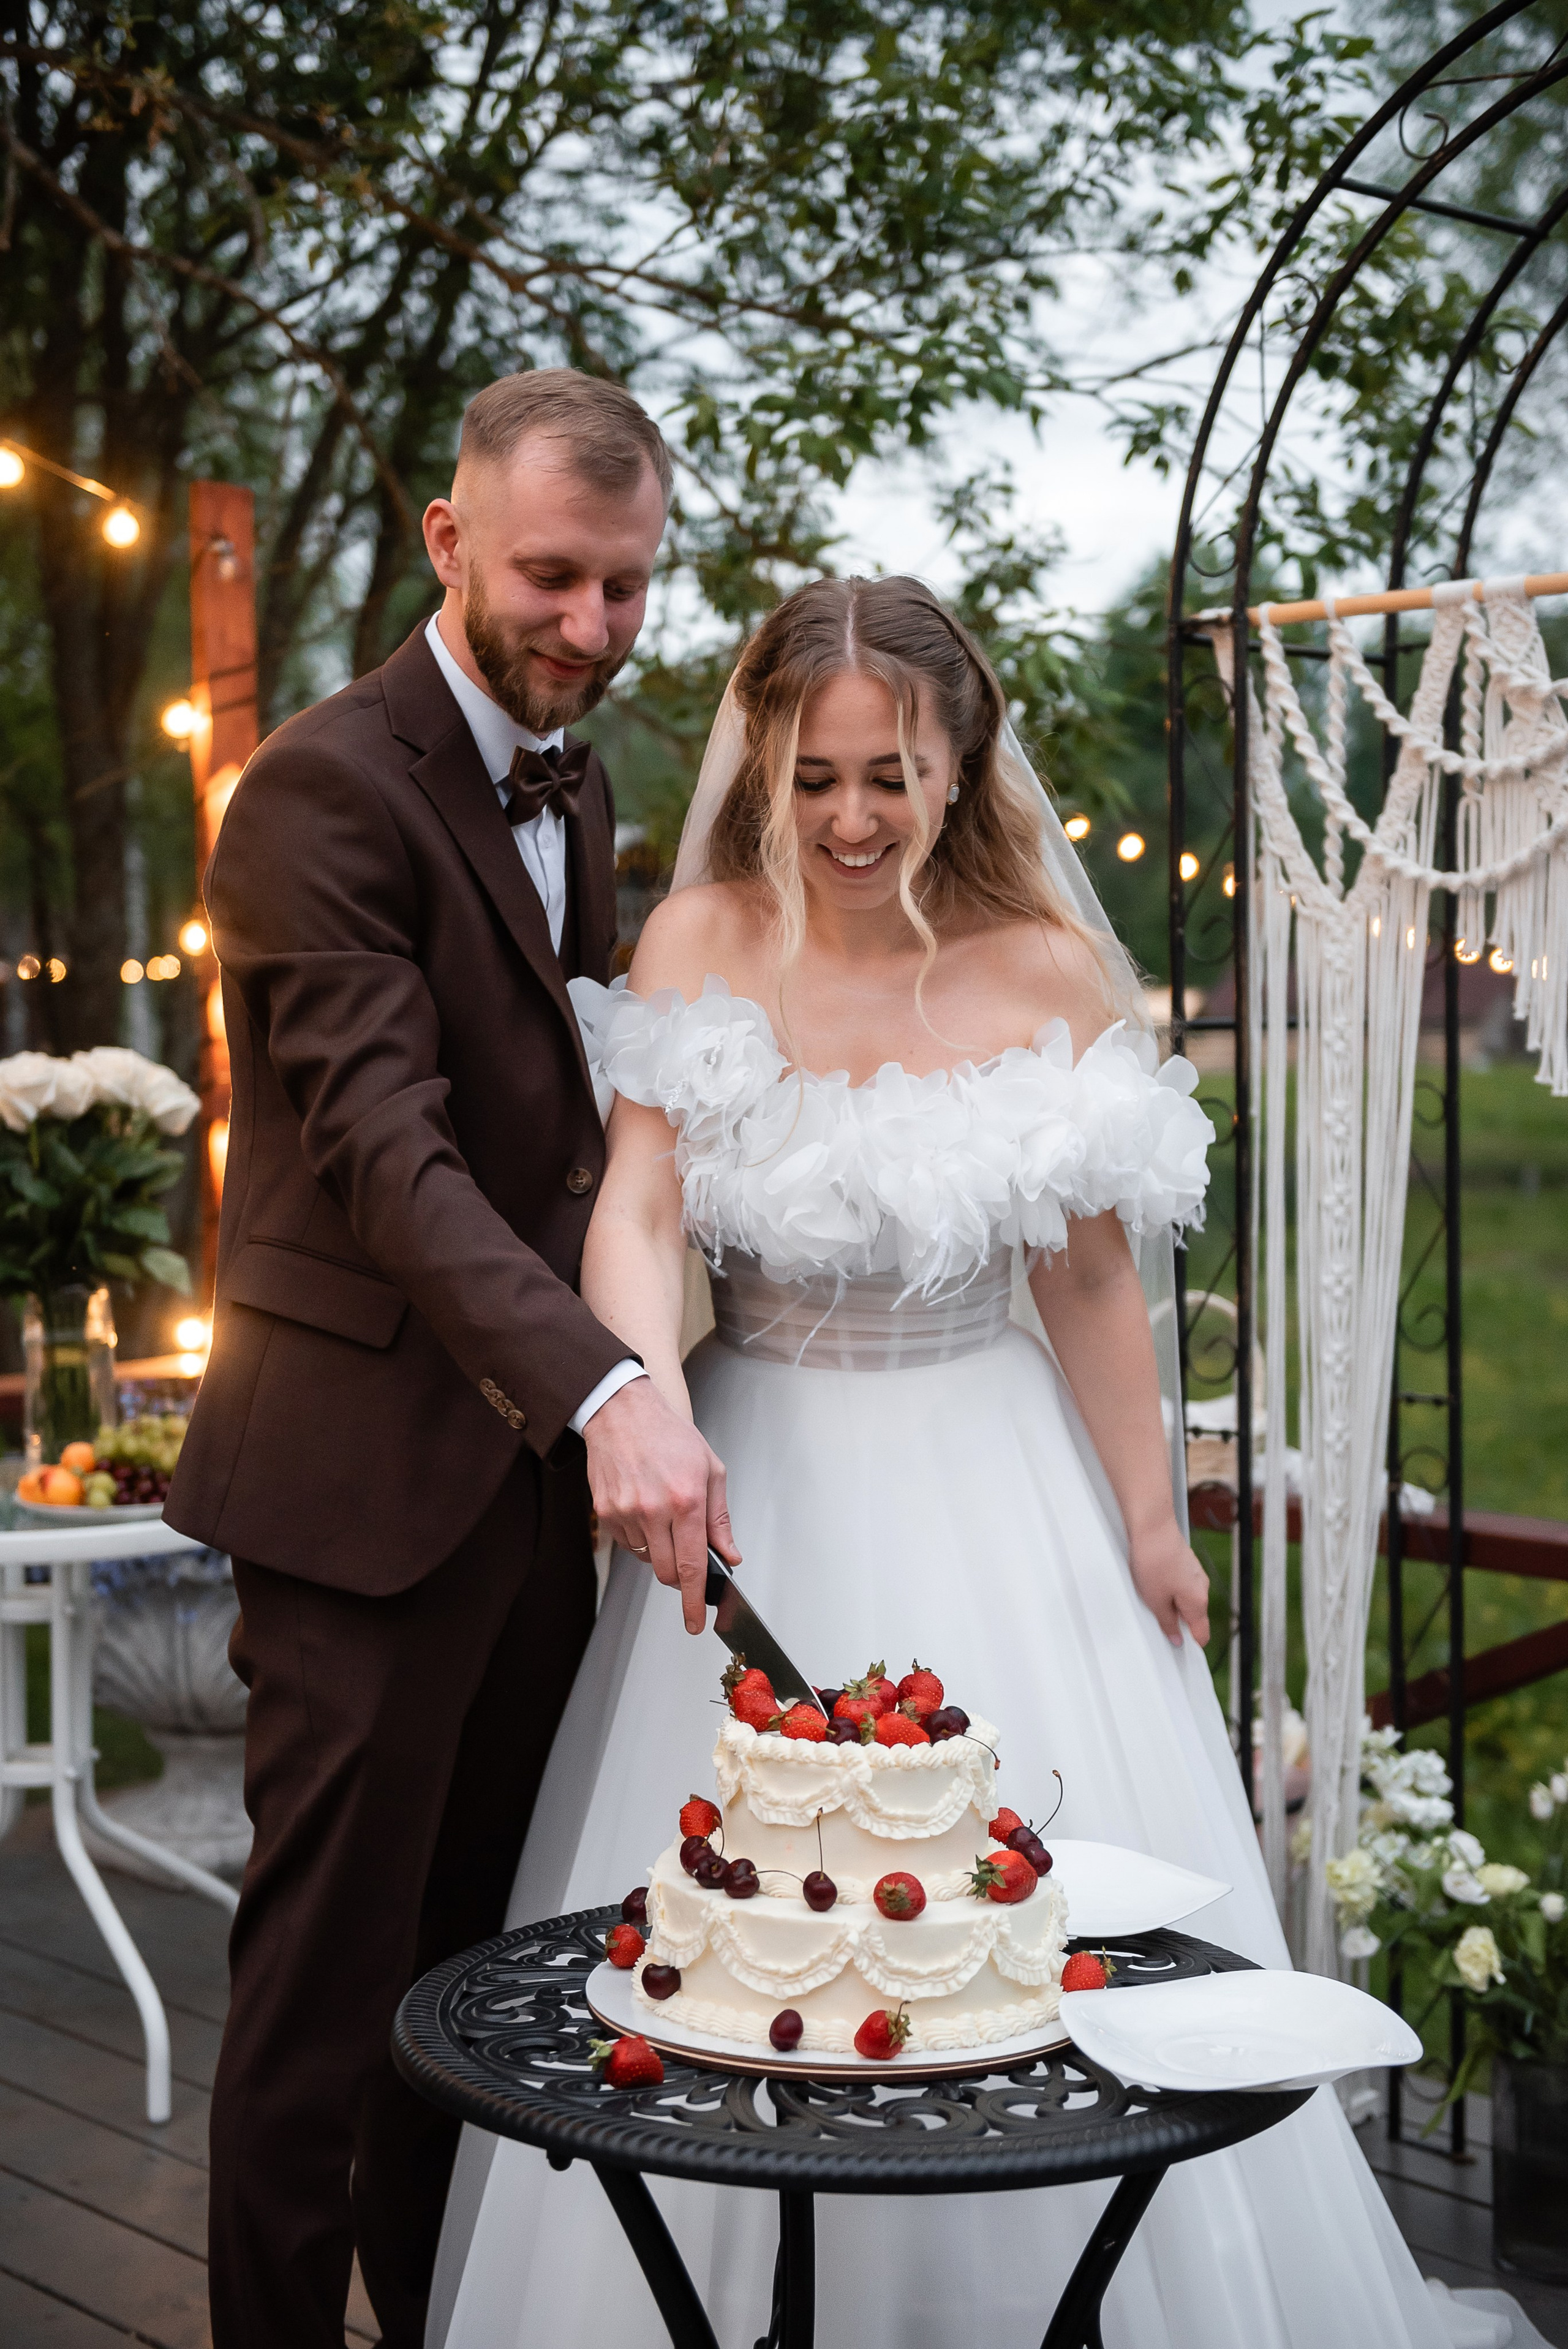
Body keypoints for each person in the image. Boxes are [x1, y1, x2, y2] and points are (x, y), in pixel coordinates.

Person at [430, 577, 1536, 2349]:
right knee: (748, 1937)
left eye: (894, 773)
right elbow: (637, 1204)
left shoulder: (1047, 970)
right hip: (754, 1474)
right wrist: (643, 1402)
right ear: (764, 768)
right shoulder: (699, 941)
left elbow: (1092, 1277)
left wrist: (1149, 1522)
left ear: (963, 764)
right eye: (815, 778)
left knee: (1032, 1942)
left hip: (998, 1474)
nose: (853, 818)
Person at [166, 369, 734, 2349]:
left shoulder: (577, 784)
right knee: (321, 2013)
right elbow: (390, 1158)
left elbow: (573, 1131)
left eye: (631, 588)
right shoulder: (321, 788)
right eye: (554, 578)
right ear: (447, 540)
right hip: (357, 1494)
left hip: (520, 1509)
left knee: (477, 1997)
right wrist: (606, 1386)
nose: (591, 627)